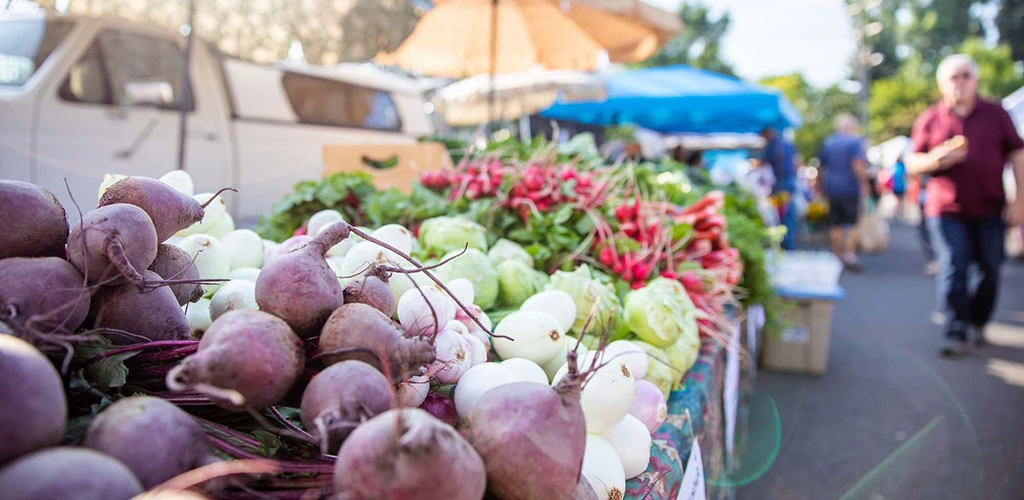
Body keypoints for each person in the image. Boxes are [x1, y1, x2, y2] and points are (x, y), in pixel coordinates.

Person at [906, 53, 1024, 358]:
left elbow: (1017, 156)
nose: (959, 83)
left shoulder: (996, 113)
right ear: (941, 84)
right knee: (953, 266)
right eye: (953, 77)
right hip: (946, 209)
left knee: (991, 269)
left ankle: (978, 320)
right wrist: (936, 159)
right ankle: (956, 329)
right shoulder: (931, 118)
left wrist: (1020, 200)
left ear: (975, 80)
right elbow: (912, 162)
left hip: (990, 207)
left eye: (965, 76)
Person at [817, 113, 870, 271]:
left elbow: (821, 167)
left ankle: (837, 255)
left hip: (832, 187)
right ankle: (849, 255)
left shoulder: (828, 142)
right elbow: (857, 165)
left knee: (835, 223)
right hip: (850, 188)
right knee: (851, 223)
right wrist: (865, 184)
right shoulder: (855, 142)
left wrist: (820, 185)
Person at [760, 128, 799, 249]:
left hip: (781, 183)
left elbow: (765, 163)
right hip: (789, 181)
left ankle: (787, 243)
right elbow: (796, 162)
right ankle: (789, 242)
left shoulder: (773, 146)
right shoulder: (788, 145)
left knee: (782, 214)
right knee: (788, 213)